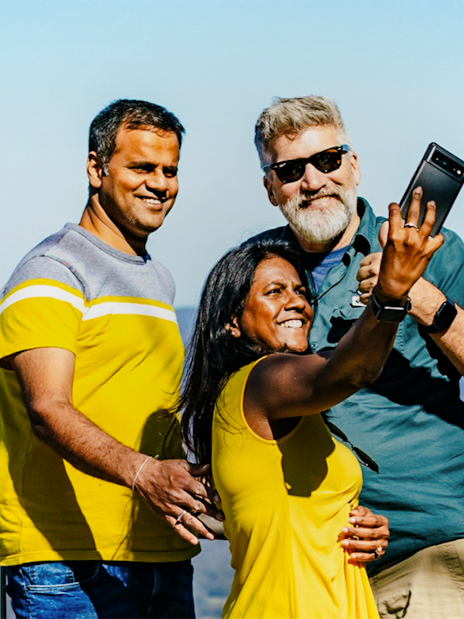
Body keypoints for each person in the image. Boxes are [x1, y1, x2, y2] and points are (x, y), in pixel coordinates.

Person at [0, 99, 222, 619]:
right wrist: (144, 472)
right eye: (142, 167)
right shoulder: (52, 270)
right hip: (66, 560)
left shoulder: (158, 278)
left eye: (170, 170)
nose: (160, 183)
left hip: (161, 549)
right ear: (96, 169)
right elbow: (47, 409)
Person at [250, 95, 464, 618]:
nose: (313, 180)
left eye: (327, 160)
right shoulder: (256, 278)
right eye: (291, 169)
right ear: (271, 187)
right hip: (316, 570)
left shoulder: (436, 250)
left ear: (354, 166)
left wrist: (416, 297)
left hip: (431, 549)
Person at [177, 198, 442, 618]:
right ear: (232, 321)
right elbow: (346, 372)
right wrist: (391, 293)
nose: (297, 302)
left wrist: (357, 525)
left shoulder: (273, 406)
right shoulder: (260, 381)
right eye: (274, 291)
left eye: (300, 290)